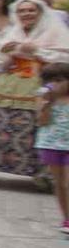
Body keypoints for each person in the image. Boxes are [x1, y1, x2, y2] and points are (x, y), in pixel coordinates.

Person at [0, 0, 69, 183]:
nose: (26, 14)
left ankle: (48, 171)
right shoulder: (13, 32)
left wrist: (36, 50)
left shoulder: (55, 31)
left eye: (31, 10)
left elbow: (63, 58)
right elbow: (1, 59)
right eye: (22, 11)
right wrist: (13, 53)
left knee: (45, 124)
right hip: (12, 81)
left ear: (40, 13)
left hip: (45, 82)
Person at [36, 62, 69, 236]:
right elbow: (41, 121)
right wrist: (47, 103)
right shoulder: (45, 99)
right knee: (60, 183)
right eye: (51, 81)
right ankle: (66, 217)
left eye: (60, 80)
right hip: (51, 144)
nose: (56, 85)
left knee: (68, 182)